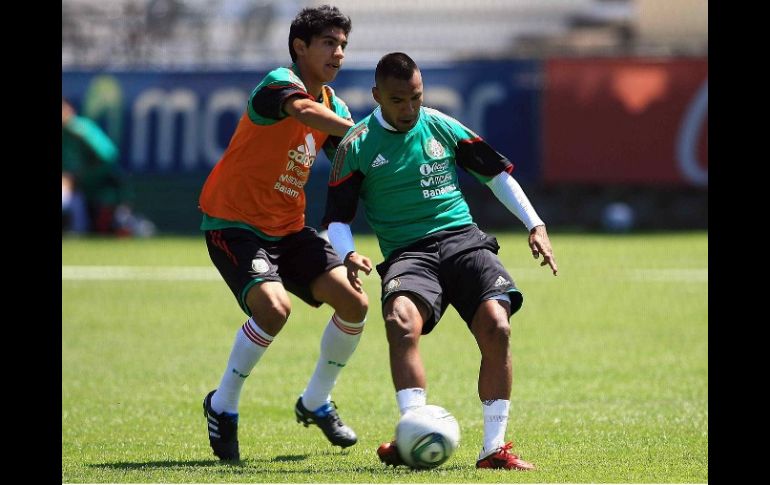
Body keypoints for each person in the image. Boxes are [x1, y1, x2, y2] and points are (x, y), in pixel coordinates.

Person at [322, 52, 558, 470]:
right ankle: (413, 429)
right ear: (377, 96)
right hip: (408, 253)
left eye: (415, 97)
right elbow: (337, 219)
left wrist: (534, 224)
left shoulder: (442, 126)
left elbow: (497, 175)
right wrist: (349, 254)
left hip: (463, 241)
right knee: (399, 322)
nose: (409, 109)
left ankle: (494, 449)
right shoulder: (355, 146)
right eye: (398, 100)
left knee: (497, 326)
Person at [197, 5, 371, 462]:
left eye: (343, 46)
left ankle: (316, 400)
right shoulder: (277, 84)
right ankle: (223, 405)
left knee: (354, 304)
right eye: (329, 44)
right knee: (275, 309)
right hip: (233, 224)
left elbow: (353, 172)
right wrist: (364, 132)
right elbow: (304, 112)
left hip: (289, 229)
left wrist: (348, 247)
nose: (338, 53)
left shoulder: (334, 106)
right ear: (300, 47)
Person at [62, 99, 128, 235]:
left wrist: (81, 174)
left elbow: (108, 154)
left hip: (100, 185)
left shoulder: (80, 129)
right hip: (76, 186)